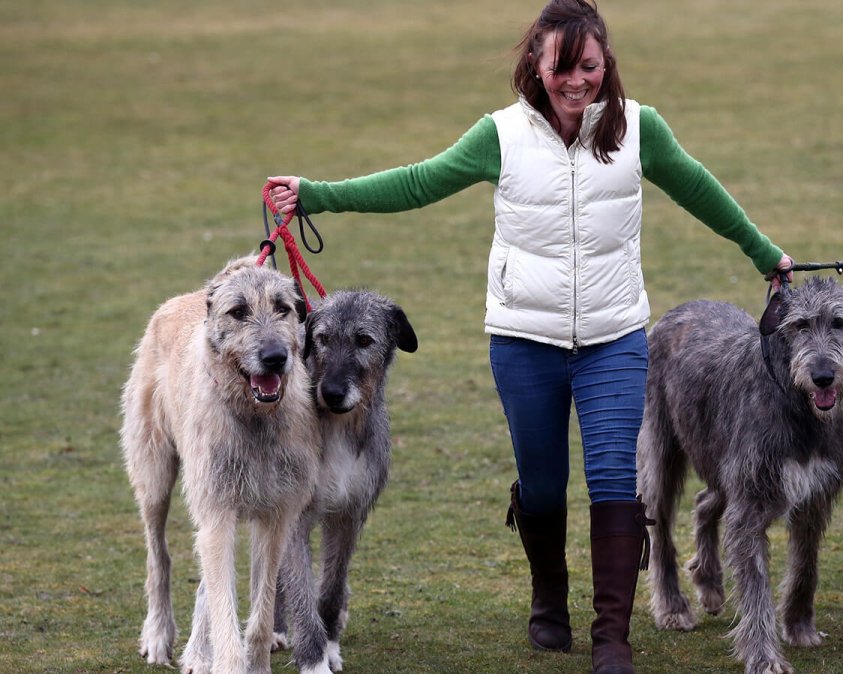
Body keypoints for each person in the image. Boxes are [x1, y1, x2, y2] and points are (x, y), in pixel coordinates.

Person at [268, 1, 793, 671]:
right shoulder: (501, 135)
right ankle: (550, 598)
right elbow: (418, 181)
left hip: (613, 338)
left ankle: (612, 636)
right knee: (542, 488)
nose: (577, 82)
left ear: (607, 65)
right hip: (524, 341)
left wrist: (764, 254)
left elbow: (697, 187)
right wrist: (316, 193)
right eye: (562, 68)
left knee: (613, 483)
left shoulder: (640, 129)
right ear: (536, 67)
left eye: (591, 67)